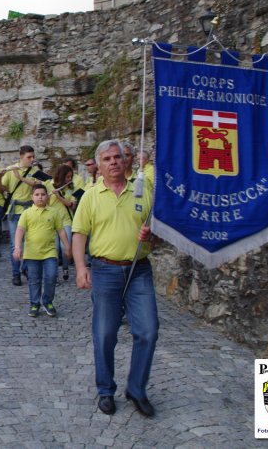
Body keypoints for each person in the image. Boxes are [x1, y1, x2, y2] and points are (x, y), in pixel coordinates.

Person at [72, 139, 158, 418]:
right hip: (105, 270)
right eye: (107, 159)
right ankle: (106, 389)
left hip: (138, 269)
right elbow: (79, 234)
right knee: (105, 333)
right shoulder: (90, 195)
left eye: (117, 157)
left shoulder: (144, 190)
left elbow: (158, 234)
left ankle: (136, 388)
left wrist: (151, 235)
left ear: (126, 160)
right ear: (98, 164)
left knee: (148, 330)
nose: (113, 162)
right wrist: (81, 267)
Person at [13, 184, 71, 317]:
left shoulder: (53, 212)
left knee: (51, 277)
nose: (40, 197)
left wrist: (67, 246)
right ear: (32, 197)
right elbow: (20, 230)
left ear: (47, 196)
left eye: (43, 194)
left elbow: (61, 231)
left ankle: (48, 301)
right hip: (32, 254)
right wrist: (17, 247)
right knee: (34, 279)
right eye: (37, 195)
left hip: (50, 252)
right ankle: (34, 303)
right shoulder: (27, 213)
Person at [0, 145, 38, 286]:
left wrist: (20, 177)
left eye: (33, 156)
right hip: (15, 212)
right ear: (21, 156)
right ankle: (15, 274)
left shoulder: (35, 170)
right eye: (29, 157)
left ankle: (26, 269)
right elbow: (2, 189)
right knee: (14, 245)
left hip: (30, 211)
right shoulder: (11, 169)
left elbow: (37, 185)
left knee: (29, 243)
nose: (32, 159)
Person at [50, 164, 76, 281]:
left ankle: (65, 268)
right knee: (54, 248)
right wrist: (49, 195)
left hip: (66, 221)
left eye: (71, 177)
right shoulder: (49, 185)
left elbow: (72, 204)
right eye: (67, 177)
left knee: (65, 246)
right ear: (61, 176)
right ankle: (54, 275)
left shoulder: (70, 189)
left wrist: (59, 196)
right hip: (52, 221)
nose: (69, 179)